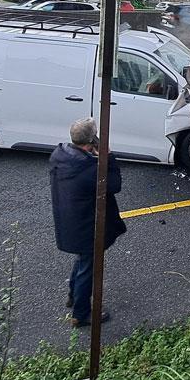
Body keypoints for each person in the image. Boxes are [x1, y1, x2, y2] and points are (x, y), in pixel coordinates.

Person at [49, 118, 126, 328]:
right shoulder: (88, 168)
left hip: (70, 221)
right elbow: (114, 184)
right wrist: (108, 156)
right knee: (88, 268)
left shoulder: (60, 155)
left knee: (83, 260)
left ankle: (74, 296)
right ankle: (81, 313)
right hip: (87, 225)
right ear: (92, 141)